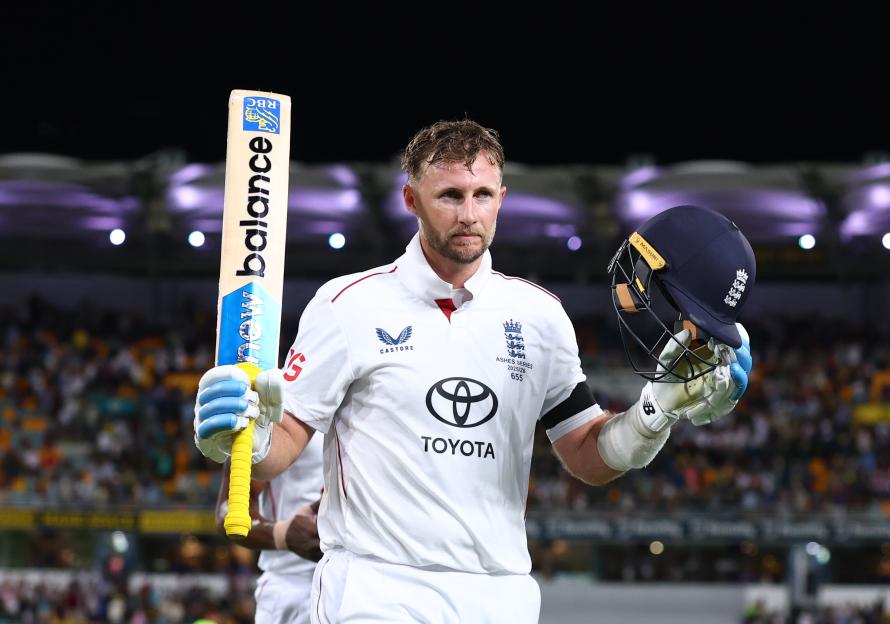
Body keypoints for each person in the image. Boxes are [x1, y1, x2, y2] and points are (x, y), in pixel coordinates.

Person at [193, 119, 755, 623]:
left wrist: (653, 413)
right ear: (412, 199)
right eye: (450, 196)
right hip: (376, 587)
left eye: (483, 195)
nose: (468, 214)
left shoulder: (539, 316)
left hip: (499, 593)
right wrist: (239, 437)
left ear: (502, 198)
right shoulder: (347, 305)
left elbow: (586, 454)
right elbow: (284, 443)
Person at [214, 428, 324, 624]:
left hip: (361, 575)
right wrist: (281, 534)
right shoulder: (273, 405)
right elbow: (228, 512)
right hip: (293, 583)